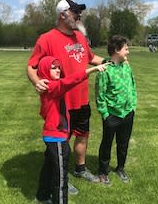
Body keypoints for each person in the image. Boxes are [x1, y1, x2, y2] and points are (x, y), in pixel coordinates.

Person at [27, 0, 104, 193]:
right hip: (62, 104)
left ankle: (80, 169)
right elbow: (31, 66)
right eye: (75, 12)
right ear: (62, 15)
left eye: (80, 12)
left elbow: (91, 58)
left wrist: (113, 61)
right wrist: (37, 82)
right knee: (61, 144)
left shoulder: (80, 37)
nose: (79, 16)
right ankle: (60, 177)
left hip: (82, 99)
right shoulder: (46, 39)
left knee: (83, 136)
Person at [35, 56, 108, 204]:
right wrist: (93, 69)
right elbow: (70, 81)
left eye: (58, 67)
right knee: (61, 178)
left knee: (49, 167)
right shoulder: (51, 87)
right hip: (56, 138)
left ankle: (42, 196)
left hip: (54, 135)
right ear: (44, 71)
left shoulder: (50, 87)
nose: (58, 69)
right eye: (53, 67)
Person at [95, 35, 137, 185]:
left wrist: (133, 106)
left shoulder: (127, 67)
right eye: (126, 49)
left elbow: (132, 86)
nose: (128, 52)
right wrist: (105, 115)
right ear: (116, 50)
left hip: (127, 113)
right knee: (106, 143)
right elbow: (100, 95)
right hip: (112, 115)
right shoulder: (105, 71)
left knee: (123, 143)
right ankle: (103, 171)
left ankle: (120, 168)